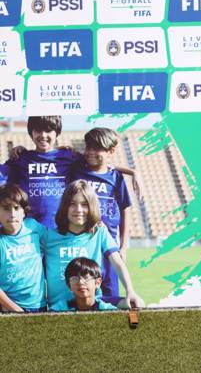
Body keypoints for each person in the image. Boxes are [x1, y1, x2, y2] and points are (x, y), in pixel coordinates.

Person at [45, 180, 143, 311]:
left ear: (91, 207)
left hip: (92, 302)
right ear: (64, 207)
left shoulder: (99, 232)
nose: (78, 210)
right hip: (59, 306)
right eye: (72, 204)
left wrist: (130, 291)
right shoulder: (48, 236)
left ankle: (132, 328)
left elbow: (117, 263)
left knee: (136, 303)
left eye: (84, 204)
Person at [71, 128, 132, 303]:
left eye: (96, 148)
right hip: (84, 245)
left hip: (109, 246)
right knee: (84, 295)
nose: (90, 152)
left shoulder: (116, 177)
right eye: (88, 147)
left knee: (110, 294)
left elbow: (125, 209)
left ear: (111, 151)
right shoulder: (77, 171)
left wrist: (124, 245)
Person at [7, 116, 83, 229]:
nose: (43, 135)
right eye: (38, 130)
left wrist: (117, 168)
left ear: (57, 132)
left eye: (48, 130)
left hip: (60, 228)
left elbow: (95, 166)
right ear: (30, 133)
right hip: (28, 229)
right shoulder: (21, 158)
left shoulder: (69, 156)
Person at [0, 184, 47, 312]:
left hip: (39, 305)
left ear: (24, 212)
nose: (12, 214)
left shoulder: (33, 227)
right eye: (6, 209)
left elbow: (56, 241)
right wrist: (14, 309)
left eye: (16, 208)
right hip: (9, 307)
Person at [53, 257, 117, 311]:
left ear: (97, 283)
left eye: (86, 278)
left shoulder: (109, 310)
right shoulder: (58, 310)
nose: (80, 282)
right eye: (75, 279)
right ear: (69, 285)